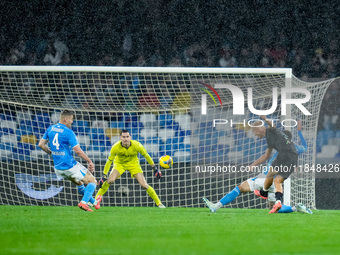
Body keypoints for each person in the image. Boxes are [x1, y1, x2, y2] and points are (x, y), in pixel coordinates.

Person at [203, 120, 312, 214]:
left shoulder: (279, 150)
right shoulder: (294, 149)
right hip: (275, 182)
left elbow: (266, 156)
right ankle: (295, 208)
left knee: (240, 188)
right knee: (274, 208)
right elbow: (305, 147)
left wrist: (252, 165)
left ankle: (215, 206)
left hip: (264, 178)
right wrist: (299, 132)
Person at [38, 109, 98, 212]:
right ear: (66, 119)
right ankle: (83, 203)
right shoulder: (68, 132)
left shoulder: (51, 129)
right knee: (93, 181)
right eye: (71, 119)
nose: (72, 122)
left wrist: (50, 153)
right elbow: (78, 151)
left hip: (58, 168)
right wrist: (89, 161)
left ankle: (94, 202)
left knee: (79, 183)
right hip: (69, 165)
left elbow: (41, 144)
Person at [95, 129, 165, 208]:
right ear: (120, 138)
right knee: (110, 180)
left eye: (127, 137)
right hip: (119, 164)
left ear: (130, 137)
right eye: (124, 137)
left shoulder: (137, 145)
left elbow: (147, 156)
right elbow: (109, 161)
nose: (126, 139)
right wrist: (104, 176)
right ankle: (95, 200)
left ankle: (159, 203)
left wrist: (155, 169)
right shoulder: (115, 147)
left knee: (144, 185)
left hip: (134, 164)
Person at [251, 115, 299, 213]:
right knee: (277, 181)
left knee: (270, 174)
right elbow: (266, 155)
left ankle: (264, 192)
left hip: (284, 154)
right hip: (293, 157)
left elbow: (272, 125)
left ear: (257, 129)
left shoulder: (270, 131)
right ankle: (278, 201)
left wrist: (265, 118)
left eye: (254, 132)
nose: (255, 135)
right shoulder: (270, 139)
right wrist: (254, 164)